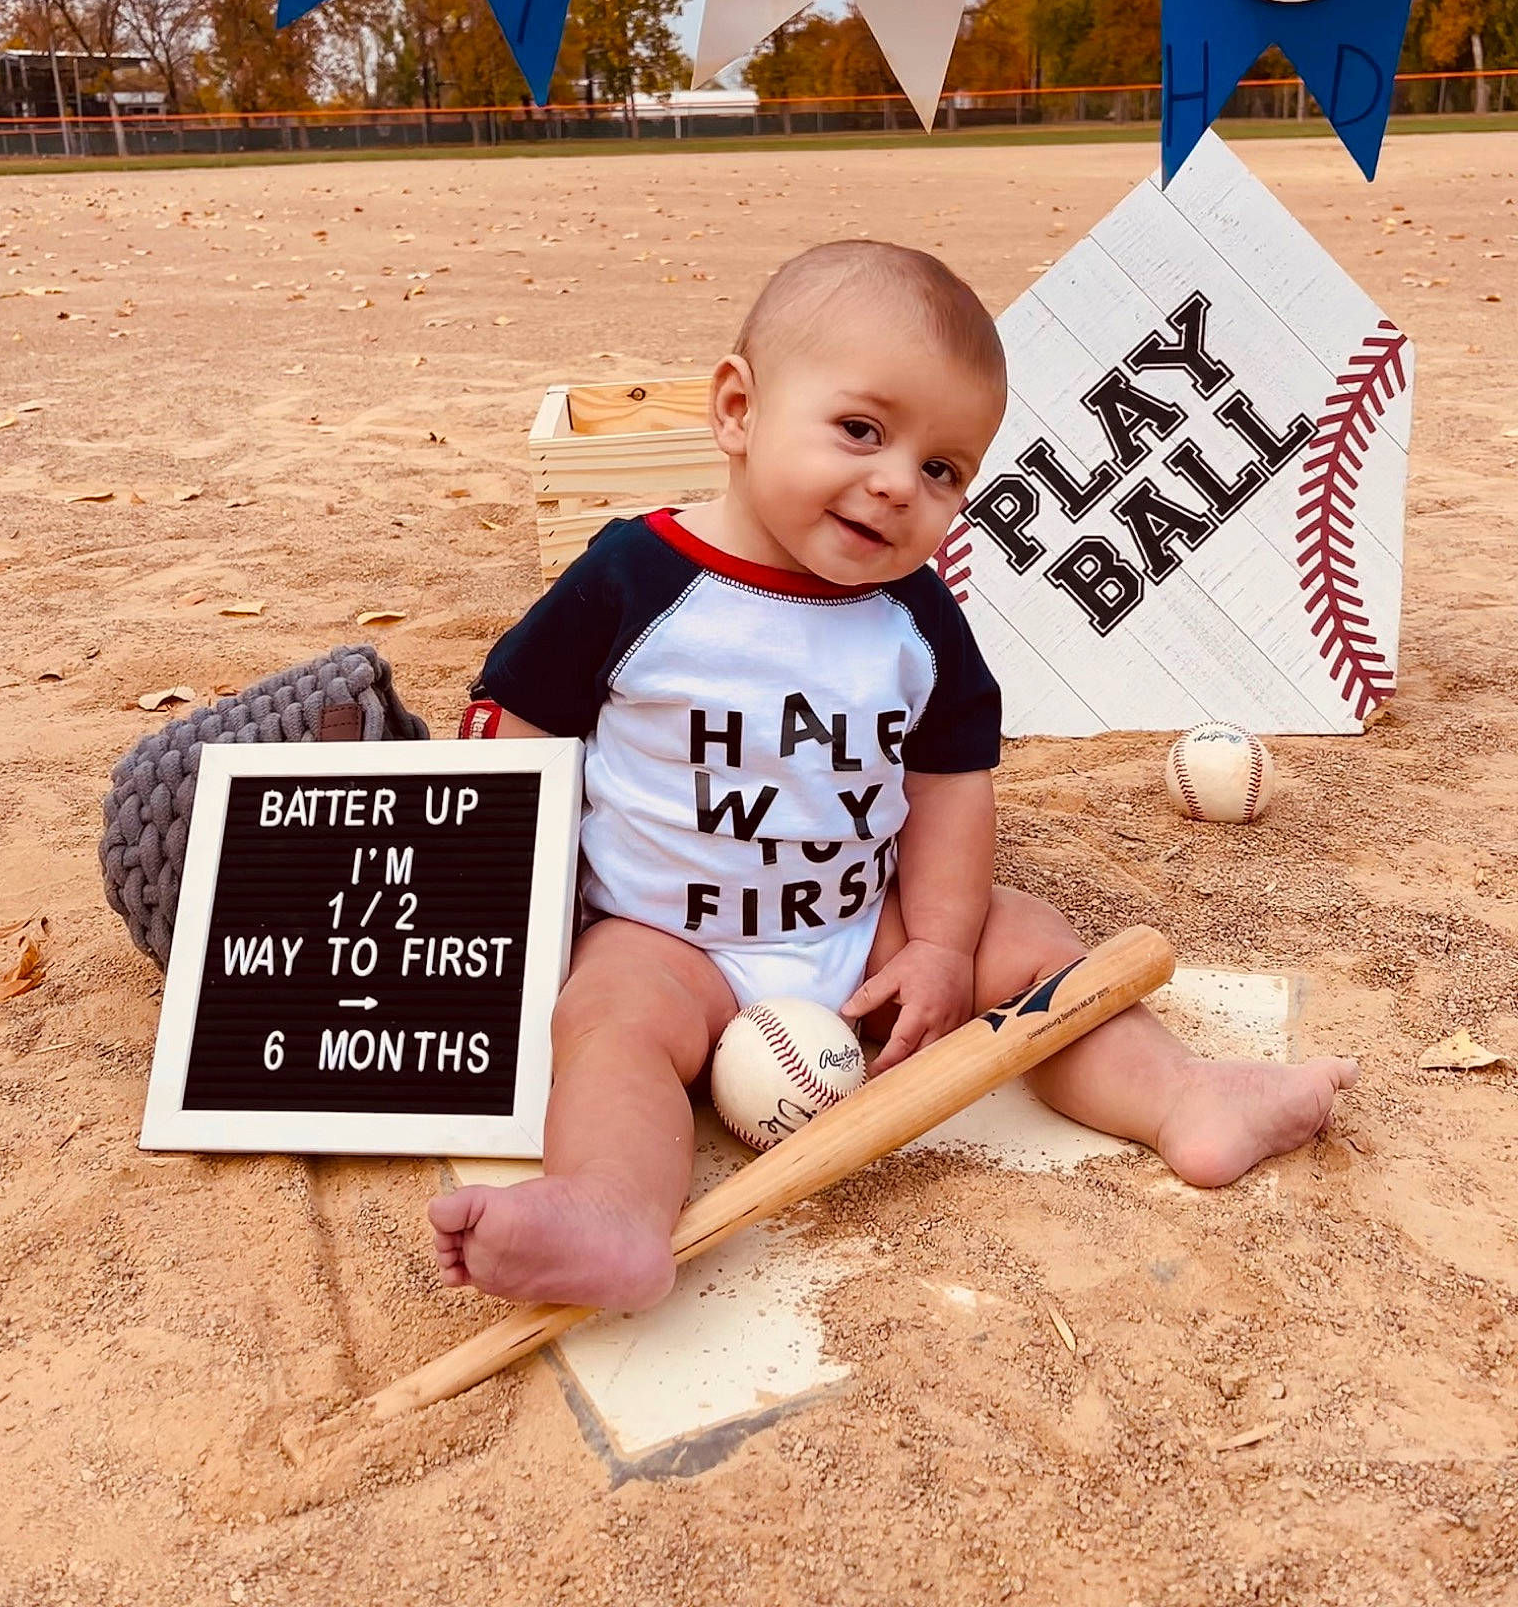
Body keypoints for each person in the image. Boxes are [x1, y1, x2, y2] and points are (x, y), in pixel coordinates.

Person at [429, 241, 1357, 1310]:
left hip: (863, 928)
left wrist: (947, 946)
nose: (896, 484)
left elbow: (952, 786)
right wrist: (490, 904)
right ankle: (613, 1209)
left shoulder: (917, 619)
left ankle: (1182, 1097)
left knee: (1035, 942)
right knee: (607, 1023)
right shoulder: (633, 577)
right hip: (666, 935)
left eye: (943, 468)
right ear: (738, 409)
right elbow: (521, 724)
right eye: (861, 430)